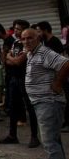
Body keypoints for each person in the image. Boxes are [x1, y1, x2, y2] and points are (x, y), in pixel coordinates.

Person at [23, 27, 69, 159]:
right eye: (24, 39)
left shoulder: (44, 52)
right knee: (54, 140)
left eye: (30, 38)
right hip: (41, 103)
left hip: (48, 102)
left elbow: (65, 64)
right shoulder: (31, 54)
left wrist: (58, 83)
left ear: (38, 38)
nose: (26, 41)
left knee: (49, 143)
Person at [0, 20, 40, 148]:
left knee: (30, 107)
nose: (15, 31)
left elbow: (18, 61)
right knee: (12, 107)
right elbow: (7, 59)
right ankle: (12, 135)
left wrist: (12, 59)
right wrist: (12, 59)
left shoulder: (29, 44)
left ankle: (34, 137)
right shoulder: (16, 43)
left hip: (25, 78)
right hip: (14, 78)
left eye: (18, 29)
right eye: (15, 28)